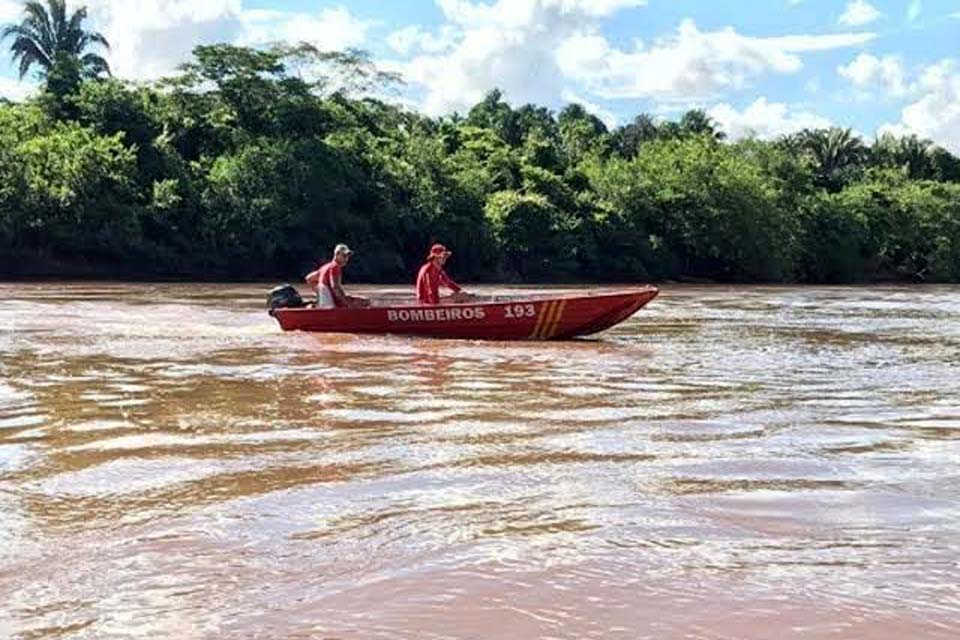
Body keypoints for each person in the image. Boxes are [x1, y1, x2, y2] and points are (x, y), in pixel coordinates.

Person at [305, 244, 368, 309]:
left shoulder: (325, 267)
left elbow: (309, 278)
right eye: (344, 256)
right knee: (364, 302)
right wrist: (348, 304)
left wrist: (319, 293)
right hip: (330, 306)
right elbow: (335, 287)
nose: (346, 259)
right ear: (337, 255)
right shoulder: (335, 267)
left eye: (348, 256)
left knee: (363, 300)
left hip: (326, 302)